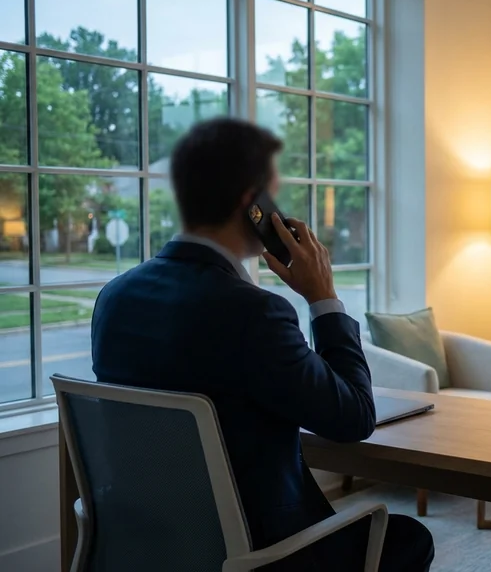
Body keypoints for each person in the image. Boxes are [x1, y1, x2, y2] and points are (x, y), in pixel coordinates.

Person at [91, 117, 434, 571]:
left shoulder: (114, 298)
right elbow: (354, 418)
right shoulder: (255, 313)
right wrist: (323, 297)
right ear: (252, 203)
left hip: (151, 541)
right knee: (410, 538)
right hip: (256, 554)